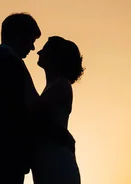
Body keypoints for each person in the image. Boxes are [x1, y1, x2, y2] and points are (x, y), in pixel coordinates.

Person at [0, 13, 75, 184]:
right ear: (18, 36)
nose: (33, 48)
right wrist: (61, 134)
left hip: (1, 155)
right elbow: (31, 110)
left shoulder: (1, 61)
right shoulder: (10, 63)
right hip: (4, 155)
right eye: (31, 40)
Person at [31, 36, 85, 184]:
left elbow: (36, 117)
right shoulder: (54, 86)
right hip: (47, 162)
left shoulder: (61, 85)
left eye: (45, 49)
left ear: (56, 57)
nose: (38, 52)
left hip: (56, 163)